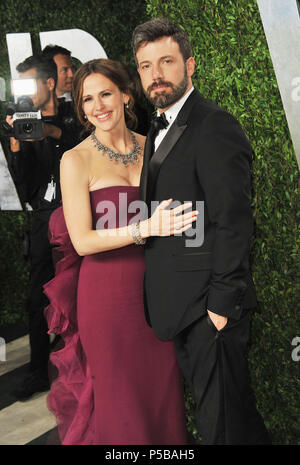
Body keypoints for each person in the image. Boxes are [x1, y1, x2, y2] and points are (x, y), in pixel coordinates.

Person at [43, 58, 198, 445]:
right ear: (80, 108)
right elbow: (82, 241)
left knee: (165, 400)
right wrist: (144, 228)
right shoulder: (75, 160)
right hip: (108, 298)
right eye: (87, 100)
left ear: (126, 95)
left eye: (106, 94)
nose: (98, 106)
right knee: (122, 405)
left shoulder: (156, 148)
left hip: (160, 293)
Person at [132, 17, 271, 445]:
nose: (156, 75)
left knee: (221, 428)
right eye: (145, 66)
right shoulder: (157, 127)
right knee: (233, 420)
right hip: (182, 306)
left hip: (209, 307)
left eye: (167, 61)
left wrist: (220, 306)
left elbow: (234, 220)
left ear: (189, 65)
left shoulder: (214, 124)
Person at [6, 54, 81, 400]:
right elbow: (25, 188)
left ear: (50, 84)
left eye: (30, 83)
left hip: (80, 217)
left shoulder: (74, 117)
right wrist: (17, 142)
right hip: (43, 219)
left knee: (81, 295)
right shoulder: (21, 124)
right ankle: (38, 369)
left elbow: (81, 150)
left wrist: (51, 131)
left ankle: (85, 365)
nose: (25, 92)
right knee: (37, 297)